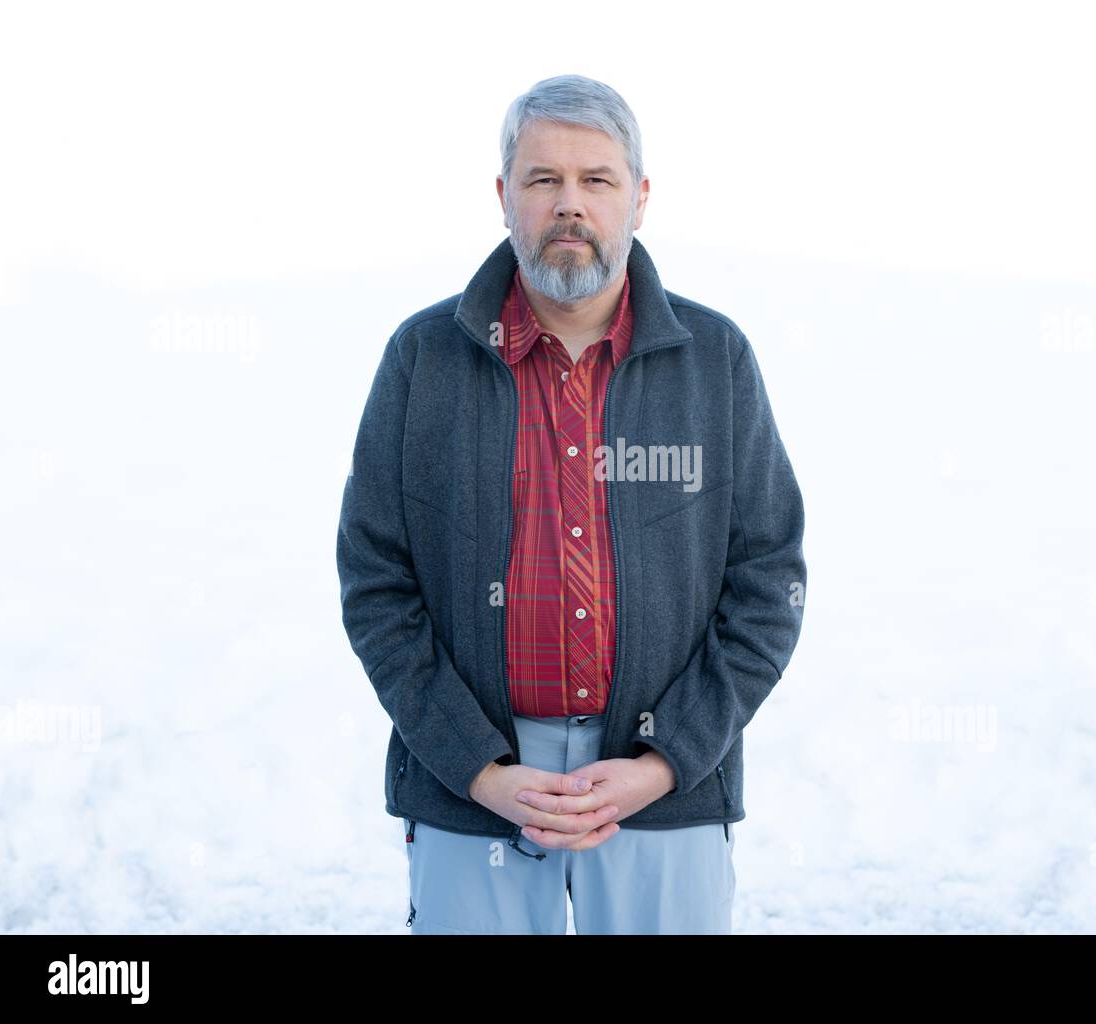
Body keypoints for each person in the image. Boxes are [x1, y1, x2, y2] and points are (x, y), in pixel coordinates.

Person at [336, 73, 806, 934]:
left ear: (640, 197)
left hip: (663, 789)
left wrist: (663, 763)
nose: (569, 204)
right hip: (472, 787)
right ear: (503, 196)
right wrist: (477, 768)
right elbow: (377, 585)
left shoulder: (716, 362)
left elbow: (768, 584)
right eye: (543, 179)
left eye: (597, 179)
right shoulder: (422, 360)